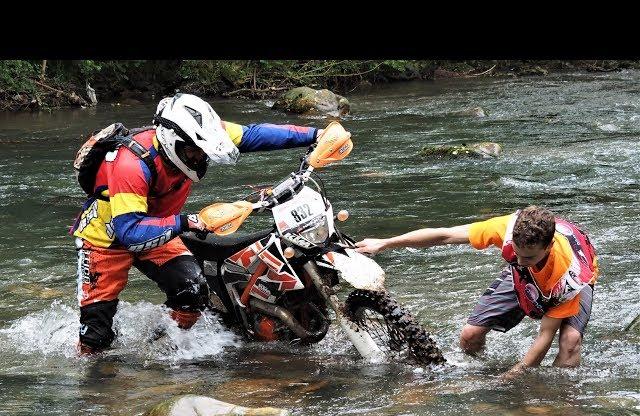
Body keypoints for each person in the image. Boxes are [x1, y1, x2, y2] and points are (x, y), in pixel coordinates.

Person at [72, 93, 322, 355]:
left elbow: (253, 135)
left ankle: (162, 348)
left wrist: (315, 134)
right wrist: (187, 222)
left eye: (203, 152)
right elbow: (130, 233)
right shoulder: (130, 165)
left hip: (161, 227)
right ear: (172, 141)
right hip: (107, 241)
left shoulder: (202, 134)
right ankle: (95, 380)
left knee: (192, 292)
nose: (200, 158)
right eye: (194, 152)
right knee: (96, 339)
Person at [355, 206, 598, 378]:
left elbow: (545, 335)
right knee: (469, 336)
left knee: (569, 342)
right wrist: (386, 242)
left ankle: (557, 402)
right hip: (527, 277)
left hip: (571, 274)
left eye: (530, 256)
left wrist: (513, 376)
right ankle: (479, 367)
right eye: (517, 252)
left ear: (548, 247)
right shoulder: (505, 230)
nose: (521, 260)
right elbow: (445, 234)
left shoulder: (567, 276)